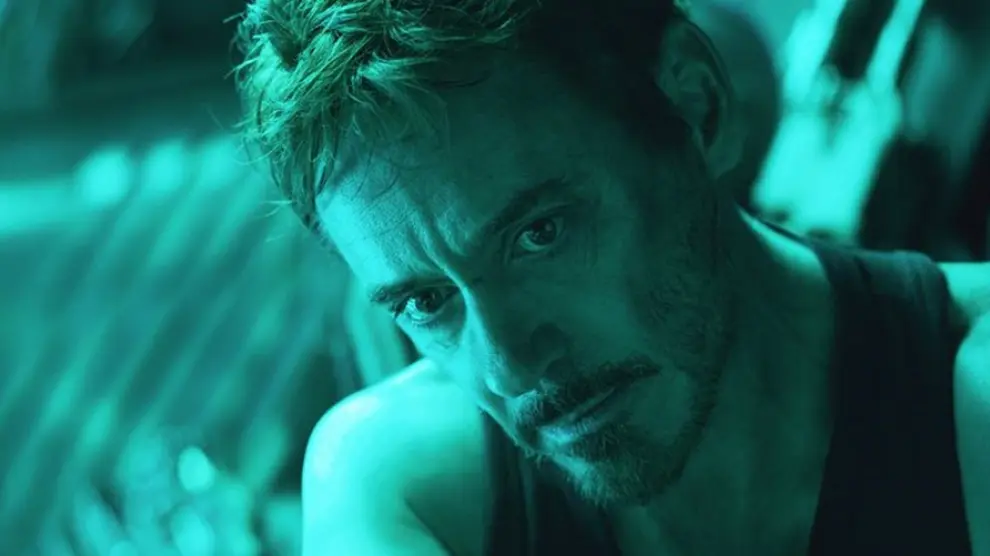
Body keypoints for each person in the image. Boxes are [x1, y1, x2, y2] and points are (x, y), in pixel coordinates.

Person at [233, 1, 990, 554]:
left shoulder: (970, 391)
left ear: (697, 107)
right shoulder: (406, 482)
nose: (509, 367)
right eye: (428, 301)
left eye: (540, 234)